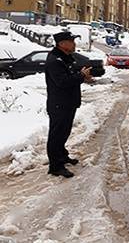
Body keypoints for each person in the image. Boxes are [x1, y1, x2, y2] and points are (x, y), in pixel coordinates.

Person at [45, 31, 93, 178]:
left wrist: (83, 77)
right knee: (56, 135)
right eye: (71, 41)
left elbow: (71, 76)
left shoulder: (65, 58)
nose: (74, 44)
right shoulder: (55, 60)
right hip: (59, 104)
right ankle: (55, 166)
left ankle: (62, 156)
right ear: (62, 44)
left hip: (68, 103)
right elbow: (63, 82)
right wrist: (81, 76)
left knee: (64, 133)